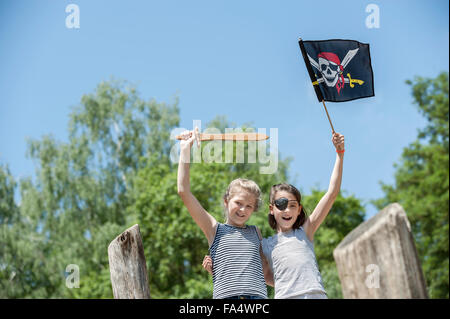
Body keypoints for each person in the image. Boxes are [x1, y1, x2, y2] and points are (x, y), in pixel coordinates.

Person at [203, 132, 345, 299]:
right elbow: (255, 271)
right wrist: (217, 268)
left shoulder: (305, 232)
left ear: (299, 210)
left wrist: (340, 155)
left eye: (292, 206)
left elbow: (331, 194)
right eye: (281, 205)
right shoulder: (265, 244)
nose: (287, 210)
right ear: (271, 208)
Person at [177, 127, 270, 299]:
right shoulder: (214, 229)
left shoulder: (255, 232)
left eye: (249, 206)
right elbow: (184, 191)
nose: (243, 210)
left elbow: (264, 271)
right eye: (238, 203)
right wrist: (185, 149)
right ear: (226, 201)